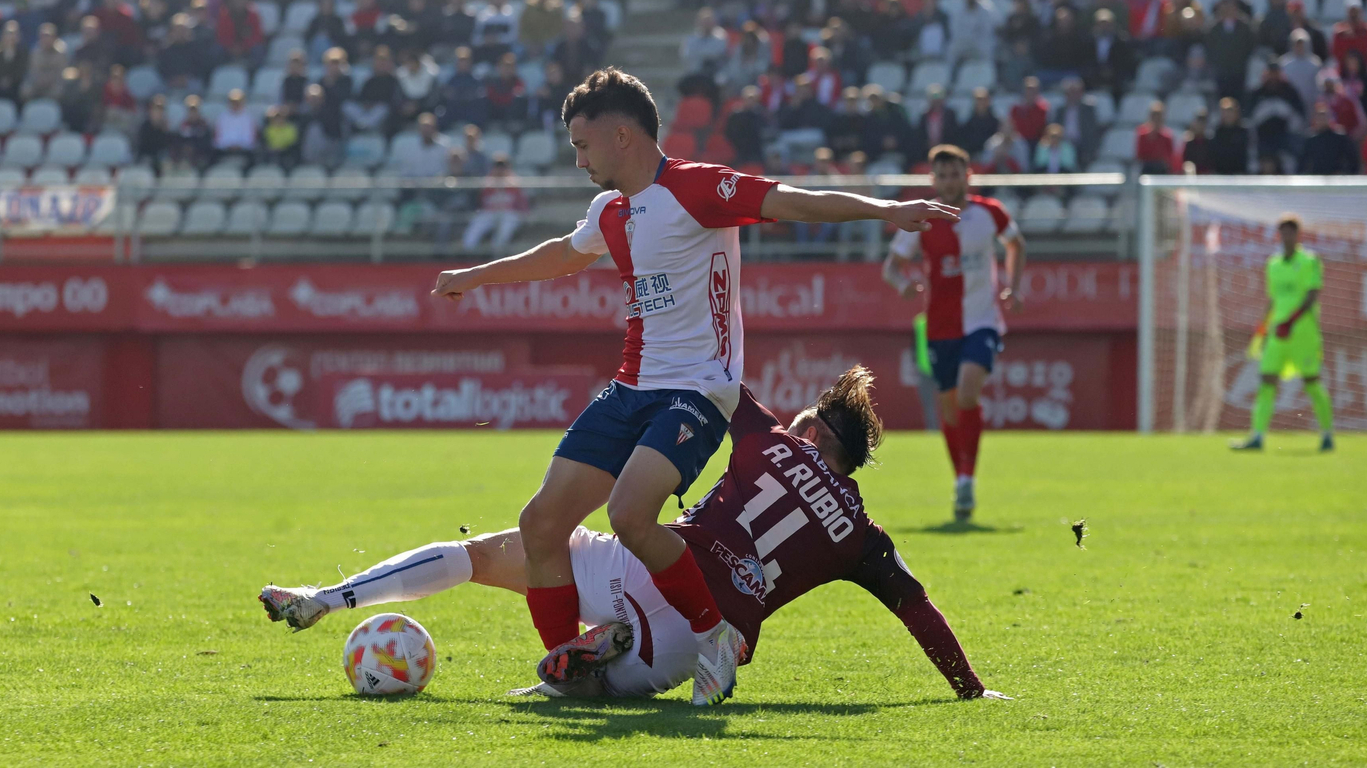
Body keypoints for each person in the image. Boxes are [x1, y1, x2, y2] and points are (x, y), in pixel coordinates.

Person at [428, 68, 960, 706]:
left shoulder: (698, 189)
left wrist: (889, 210)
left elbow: (793, 200)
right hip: (631, 387)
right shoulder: (612, 209)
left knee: (629, 515)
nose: (577, 159)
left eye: (582, 144)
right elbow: (562, 256)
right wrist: (475, 276)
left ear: (622, 135)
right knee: (541, 524)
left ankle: (716, 640)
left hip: (697, 394)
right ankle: (569, 674)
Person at [261, 369, 1011, 703]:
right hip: (696, 638)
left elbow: (714, 374)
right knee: (592, 689)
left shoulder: (766, 437)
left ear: (811, 428)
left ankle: (326, 596)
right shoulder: (862, 534)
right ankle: (590, 663)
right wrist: (971, 689)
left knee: (491, 552)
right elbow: (920, 610)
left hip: (646, 557)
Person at [881, 146, 1025, 522]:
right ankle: (959, 476)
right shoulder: (922, 217)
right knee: (949, 406)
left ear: (968, 175)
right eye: (942, 175)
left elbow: (1016, 244)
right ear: (933, 180)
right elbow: (891, 267)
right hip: (940, 326)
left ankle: (967, 479)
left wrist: (1014, 285)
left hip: (983, 320)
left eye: (955, 174)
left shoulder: (989, 212)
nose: (949, 181)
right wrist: (902, 285)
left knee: (966, 393)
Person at [1232, 216, 1334, 452]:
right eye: (1282, 232)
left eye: (1290, 232)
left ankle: (1327, 435)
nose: (1286, 237)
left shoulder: (1310, 261)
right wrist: (1262, 329)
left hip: (1303, 333)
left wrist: (1290, 322)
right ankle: (1257, 437)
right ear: (1278, 235)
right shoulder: (1273, 264)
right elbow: (1273, 300)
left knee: (1311, 383)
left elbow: (1311, 297)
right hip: (1278, 333)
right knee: (1266, 381)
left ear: (1298, 235)